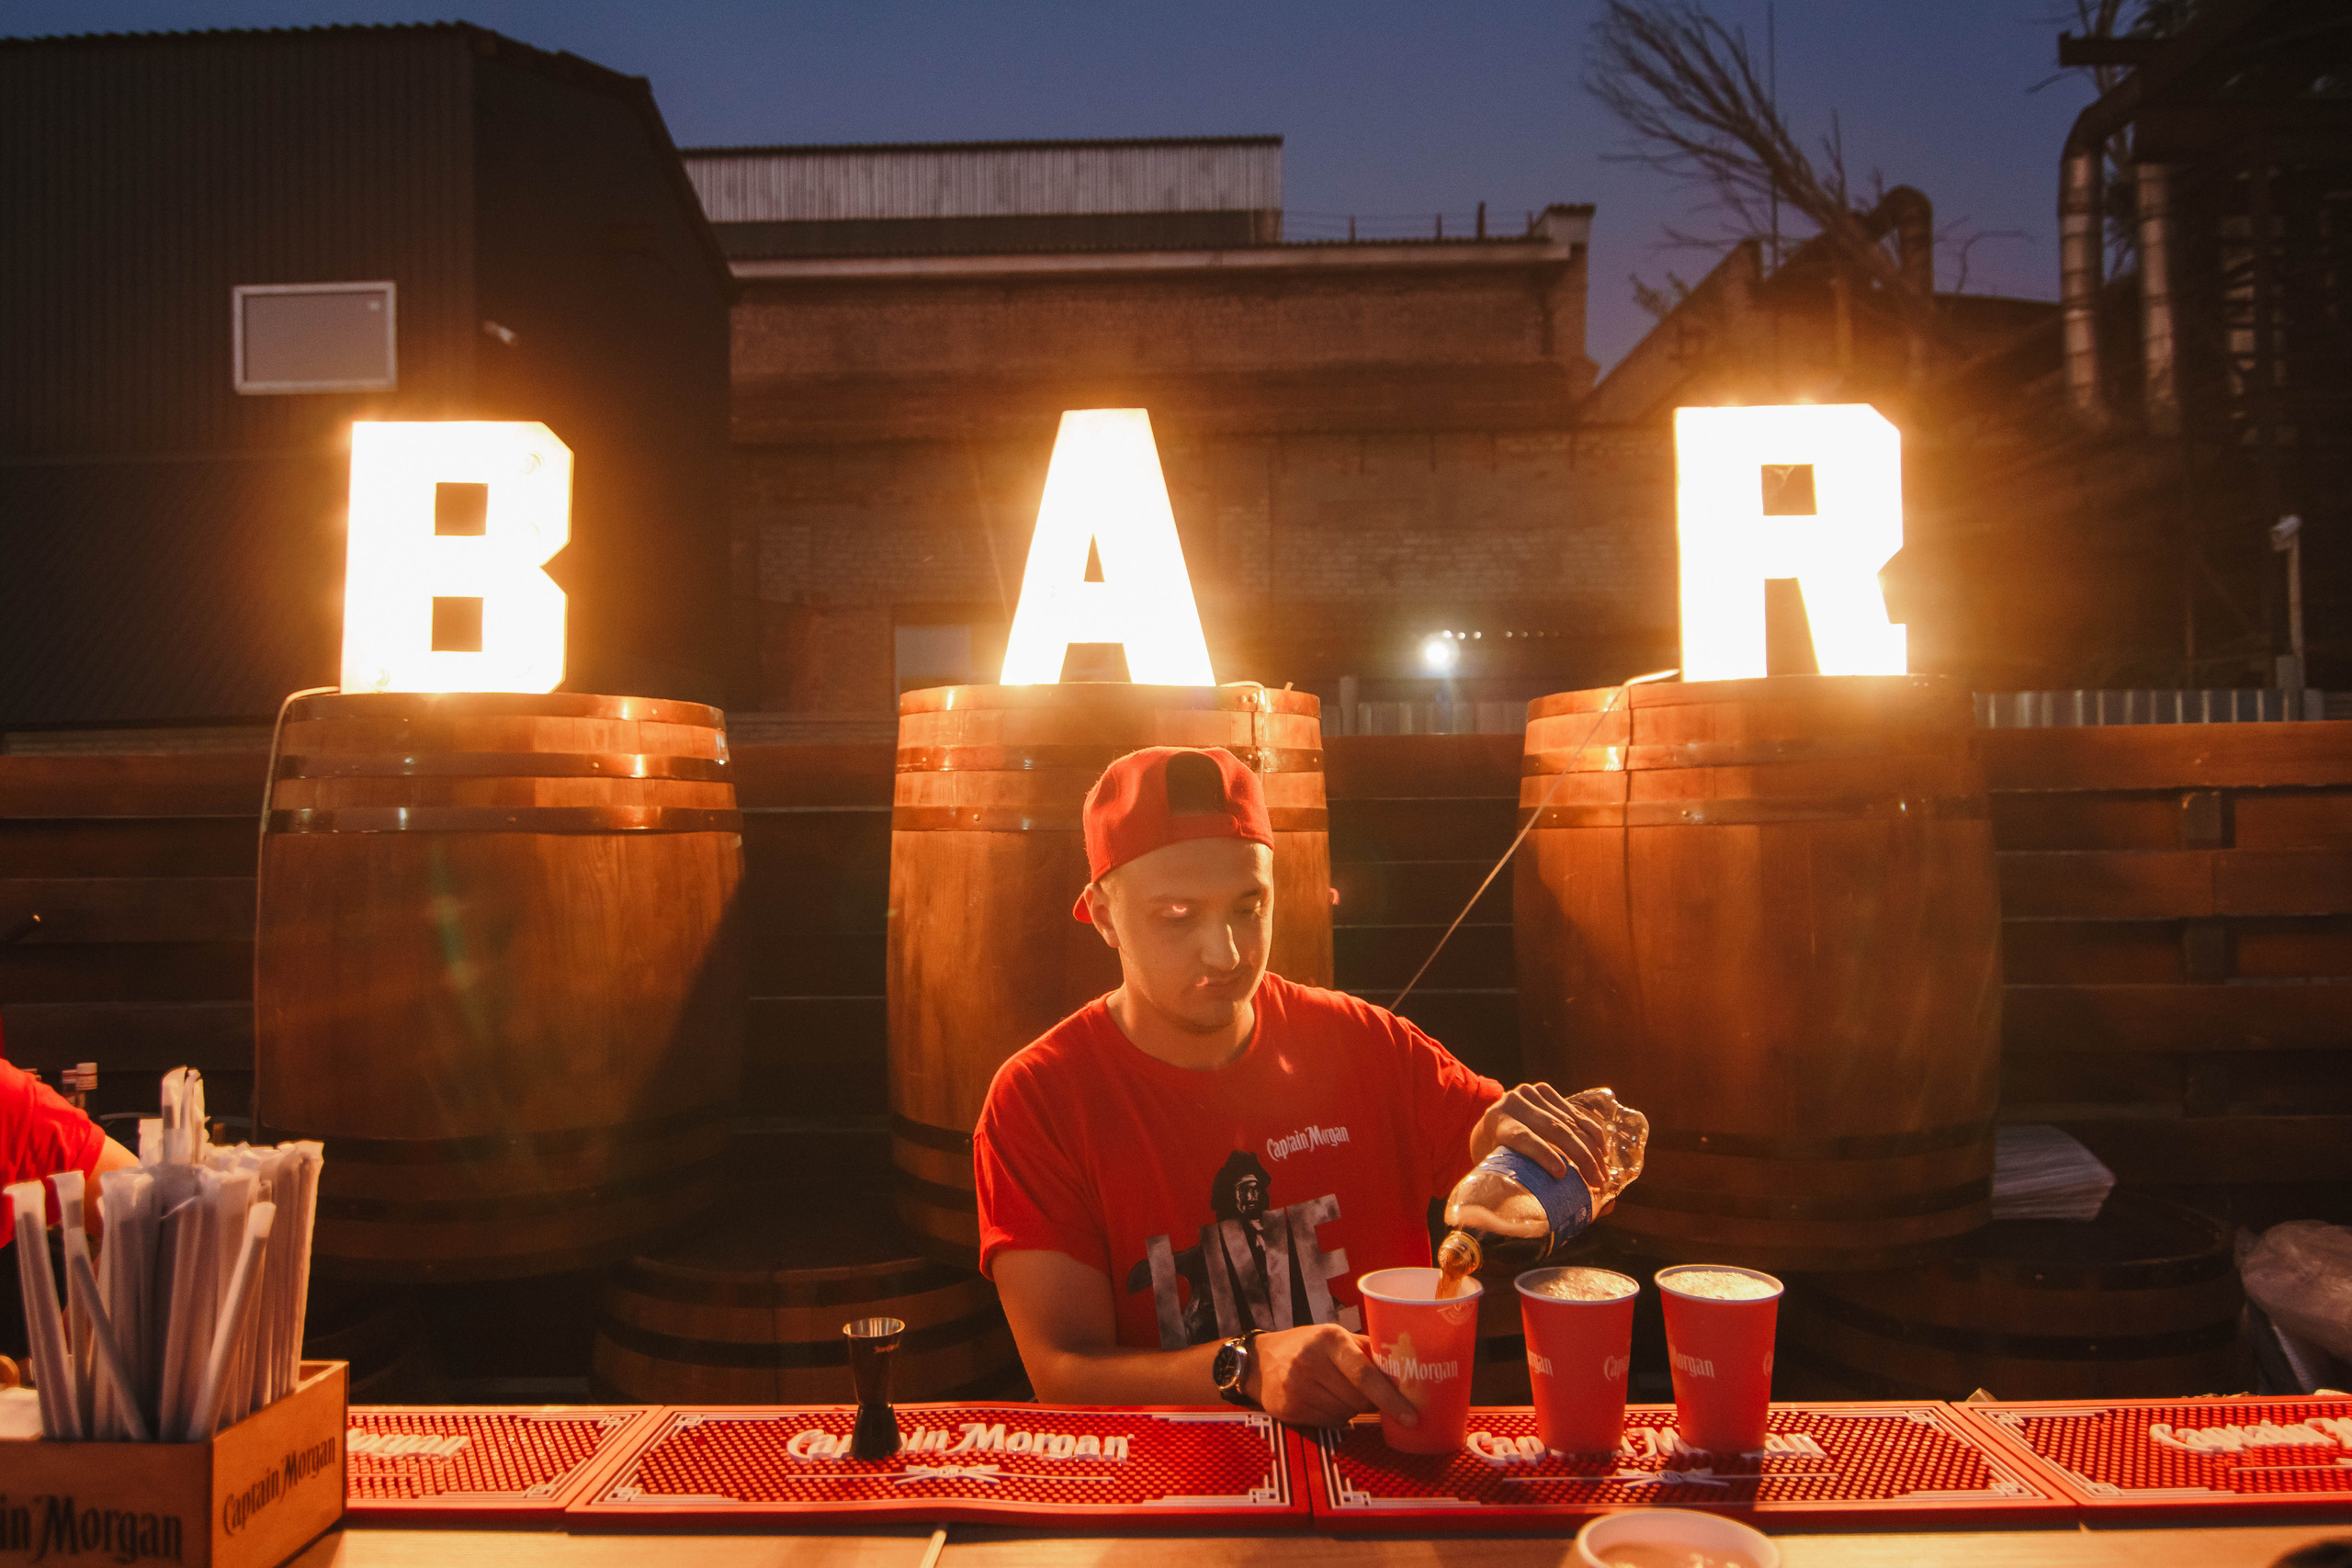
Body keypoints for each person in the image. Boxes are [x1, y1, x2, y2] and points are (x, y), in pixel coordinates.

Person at [975, 744, 1616, 1428]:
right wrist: (1247, 1366)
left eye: (1249, 906)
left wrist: (1542, 1148)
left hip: (1391, 1462)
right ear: (1102, 914)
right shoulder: (1041, 1098)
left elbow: (1554, 1179)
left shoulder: (1365, 1044)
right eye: (1177, 915)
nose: (1224, 954)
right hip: (1172, 1493)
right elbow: (1063, 1372)